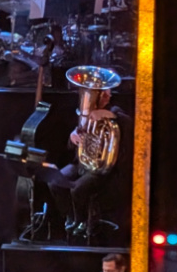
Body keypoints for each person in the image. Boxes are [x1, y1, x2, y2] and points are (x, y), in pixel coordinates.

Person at [52, 86, 130, 240]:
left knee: (77, 189)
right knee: (55, 181)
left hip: (101, 167)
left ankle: (82, 222)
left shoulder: (114, 111)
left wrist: (108, 114)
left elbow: (127, 121)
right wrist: (73, 136)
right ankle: (70, 216)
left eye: (107, 93)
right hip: (81, 163)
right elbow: (72, 145)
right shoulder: (85, 114)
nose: (107, 96)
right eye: (103, 93)